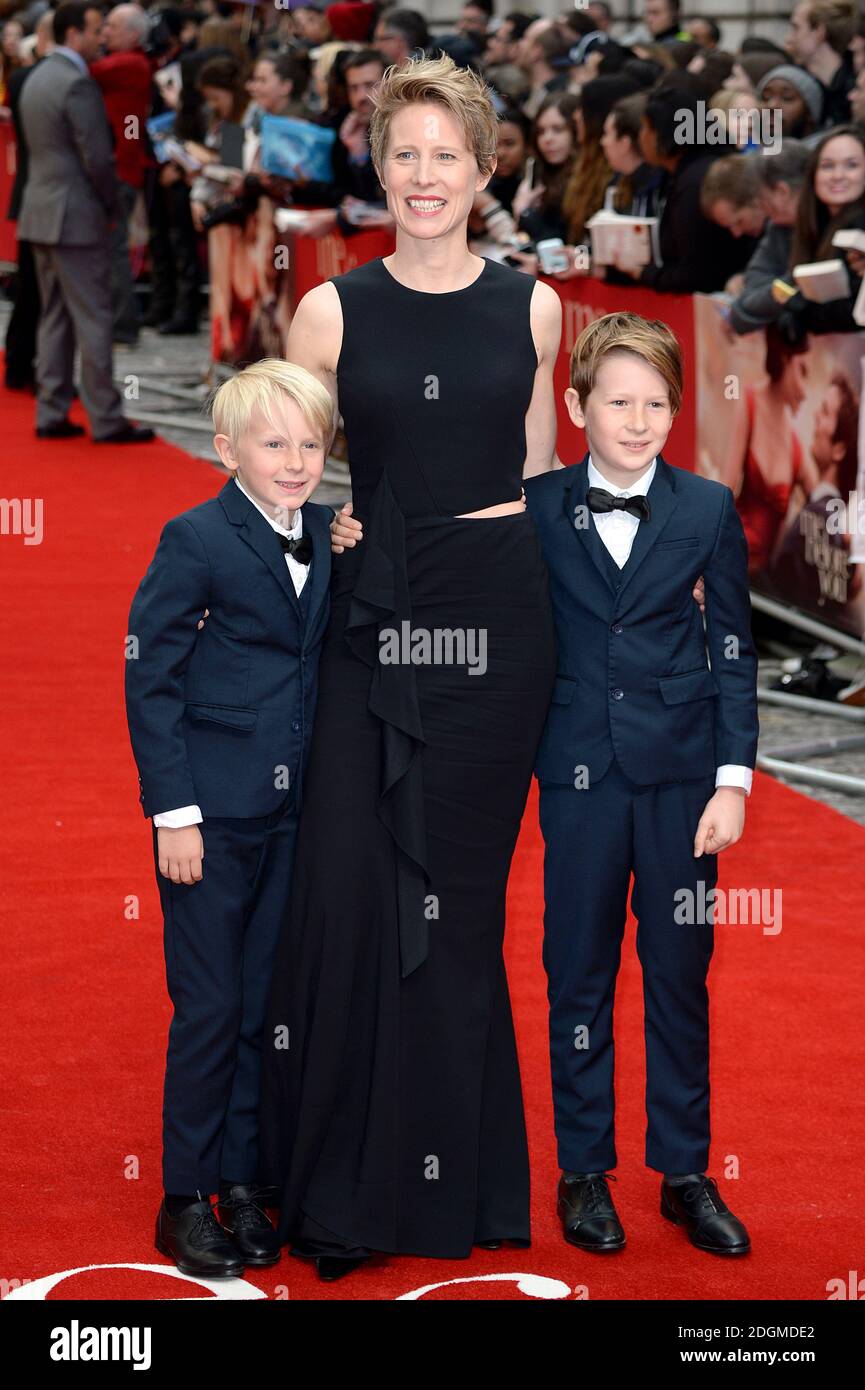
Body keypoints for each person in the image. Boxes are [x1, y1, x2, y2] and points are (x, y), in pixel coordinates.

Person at [258, 51, 561, 1280]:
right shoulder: (330, 308)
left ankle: (447, 1188)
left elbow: (541, 482)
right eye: (404, 155)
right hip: (372, 622)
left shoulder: (533, 305)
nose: (424, 175)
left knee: (461, 907)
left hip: (498, 627)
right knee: (345, 885)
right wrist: (327, 519)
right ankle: (340, 1185)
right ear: (375, 170)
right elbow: (276, 467)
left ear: (484, 171)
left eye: (447, 155)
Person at [523, 312, 759, 1257]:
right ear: (577, 406)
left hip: (680, 780)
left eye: (656, 402)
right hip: (576, 779)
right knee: (575, 974)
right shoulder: (538, 506)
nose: (638, 419)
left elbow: (734, 648)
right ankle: (584, 1170)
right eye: (618, 402)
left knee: (679, 975)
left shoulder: (706, 508)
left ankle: (685, 1172)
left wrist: (732, 780)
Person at [124, 359, 337, 1278]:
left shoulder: (329, 532)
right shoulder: (195, 538)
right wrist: (174, 812)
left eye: (310, 444)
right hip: (209, 817)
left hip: (296, 815)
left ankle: (245, 1180)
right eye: (273, 443)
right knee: (209, 1006)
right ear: (225, 450)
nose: (294, 461)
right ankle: (184, 1196)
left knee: (264, 1004)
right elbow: (151, 677)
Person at [17, 2, 153, 443]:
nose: (101, 39)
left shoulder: (38, 75)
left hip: (41, 213)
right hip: (76, 216)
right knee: (93, 317)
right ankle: (106, 418)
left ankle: (52, 409)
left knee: (54, 317)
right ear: (75, 33)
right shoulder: (76, 83)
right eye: (97, 30)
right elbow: (96, 157)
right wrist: (113, 207)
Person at [90, 3, 153, 346]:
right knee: (111, 248)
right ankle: (119, 322)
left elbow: (83, 70)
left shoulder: (128, 64)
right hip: (121, 169)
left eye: (110, 27)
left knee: (113, 249)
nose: (104, 33)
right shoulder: (130, 63)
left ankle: (122, 324)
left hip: (119, 171)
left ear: (132, 33)